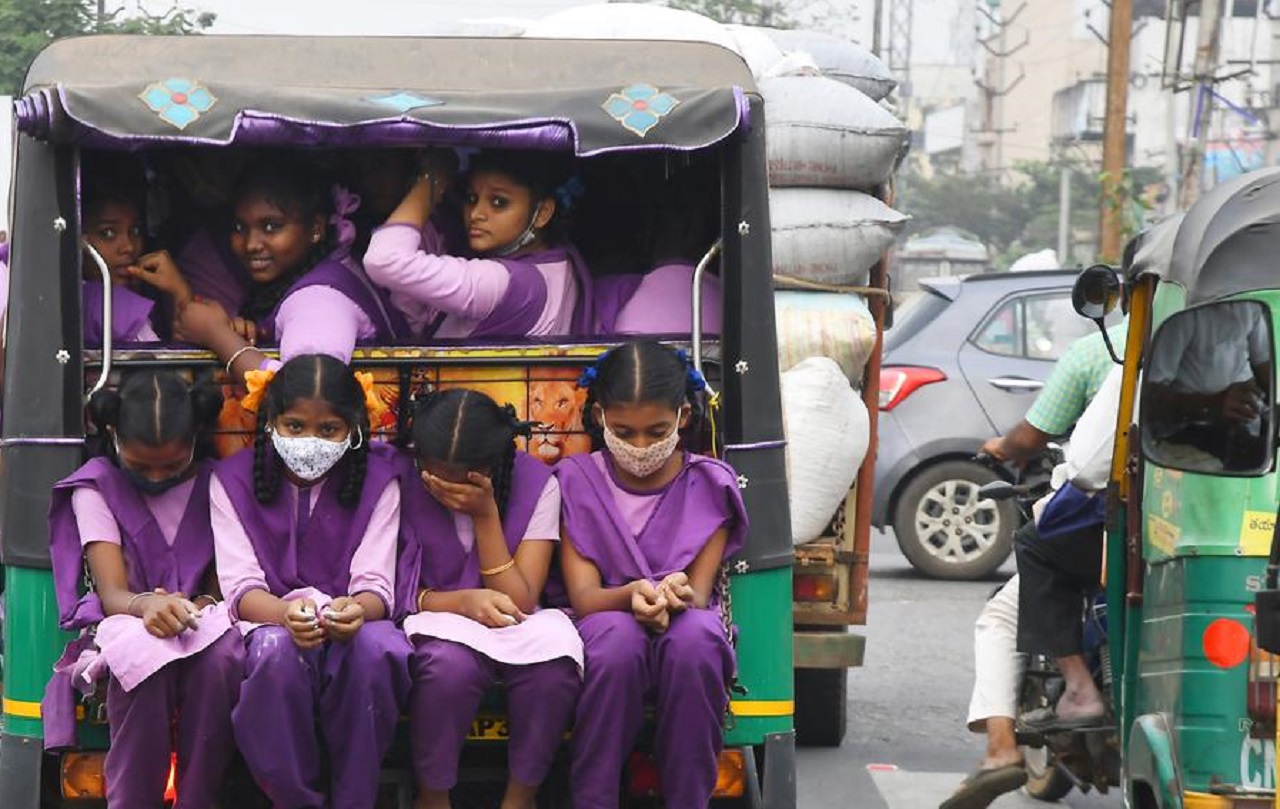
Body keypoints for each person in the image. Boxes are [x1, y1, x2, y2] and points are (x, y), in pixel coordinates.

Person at [211, 353, 411, 809]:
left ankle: (355, 799)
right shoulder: (230, 480)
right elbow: (240, 585)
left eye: (328, 430)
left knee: (378, 651)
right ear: (270, 422)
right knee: (274, 653)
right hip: (268, 620)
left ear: (353, 430)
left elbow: (376, 581)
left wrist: (358, 610)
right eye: (295, 426)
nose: (309, 442)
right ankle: (293, 799)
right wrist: (283, 614)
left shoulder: (382, 481)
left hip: (352, 620)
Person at [556, 341, 748, 809]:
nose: (640, 447)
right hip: (605, 614)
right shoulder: (575, 479)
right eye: (624, 431)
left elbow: (700, 593)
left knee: (697, 641)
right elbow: (584, 596)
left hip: (682, 614)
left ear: (683, 416)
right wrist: (632, 596)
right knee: (618, 645)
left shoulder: (711, 482)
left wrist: (674, 593)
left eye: (656, 431)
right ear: (599, 416)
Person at [946, 323, 1127, 809]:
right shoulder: (1240, 344)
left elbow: (1056, 448)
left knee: (1021, 573)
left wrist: (1001, 449)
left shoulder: (1107, 352)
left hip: (1116, 529)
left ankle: (1004, 748)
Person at [43, 371, 243, 808]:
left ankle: (200, 798)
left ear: (196, 437)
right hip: (128, 619)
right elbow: (113, 593)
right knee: (142, 656)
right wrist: (149, 605)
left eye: (171, 466)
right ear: (112, 435)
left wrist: (197, 607)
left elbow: (219, 586)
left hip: (202, 621)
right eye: (140, 466)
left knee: (222, 658)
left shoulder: (219, 482)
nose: (156, 476)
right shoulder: (95, 487)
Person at [398, 389, 582, 809]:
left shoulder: (537, 483)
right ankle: (434, 795)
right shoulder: (399, 480)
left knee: (552, 672)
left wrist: (486, 516)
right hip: (433, 620)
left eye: (466, 473)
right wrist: (461, 602)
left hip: (513, 619)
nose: (448, 483)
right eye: (436, 470)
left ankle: (520, 798)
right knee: (447, 669)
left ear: (497, 460)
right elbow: (393, 591)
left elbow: (520, 598)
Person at [174, 156, 408, 380]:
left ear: (316, 227)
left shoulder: (320, 300)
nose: (250, 244)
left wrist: (215, 334)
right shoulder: (327, 267)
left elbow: (304, 397)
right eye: (239, 226)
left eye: (271, 226)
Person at [363, 148, 592, 340]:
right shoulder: (557, 260)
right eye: (471, 198)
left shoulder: (504, 283)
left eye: (498, 202)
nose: (476, 213)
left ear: (542, 212)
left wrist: (431, 181)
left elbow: (383, 259)